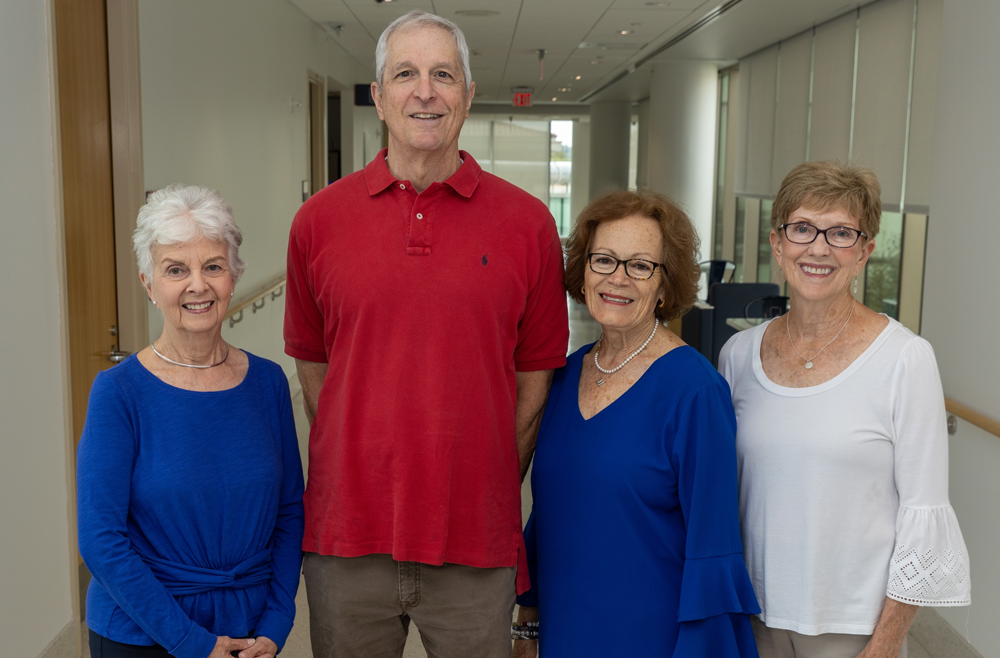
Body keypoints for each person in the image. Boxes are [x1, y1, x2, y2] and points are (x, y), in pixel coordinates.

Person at [283, 10, 569, 658]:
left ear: (467, 95)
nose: (425, 91)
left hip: (475, 540)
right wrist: (365, 456)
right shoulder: (317, 223)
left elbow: (534, 386)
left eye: (444, 74)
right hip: (347, 537)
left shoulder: (527, 226)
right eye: (405, 74)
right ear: (379, 97)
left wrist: (478, 476)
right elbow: (313, 367)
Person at [720, 161, 971, 658]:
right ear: (777, 242)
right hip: (752, 618)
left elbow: (923, 515)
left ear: (864, 252)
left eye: (840, 233)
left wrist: (882, 647)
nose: (818, 248)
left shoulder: (905, 358)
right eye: (802, 228)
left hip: (852, 628)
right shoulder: (738, 355)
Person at [513, 190, 761, 658]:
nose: (617, 278)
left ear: (666, 286)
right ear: (583, 273)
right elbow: (548, 516)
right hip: (566, 627)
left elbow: (714, 548)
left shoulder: (695, 391)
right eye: (604, 259)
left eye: (640, 265)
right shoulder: (563, 378)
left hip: (652, 634)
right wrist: (528, 622)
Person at [77, 185, 305, 658]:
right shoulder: (118, 393)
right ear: (148, 283)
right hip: (142, 632)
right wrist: (191, 642)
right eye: (175, 269)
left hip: (249, 629)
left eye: (213, 267)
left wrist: (278, 620)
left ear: (233, 276)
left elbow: (289, 512)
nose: (197, 285)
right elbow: (101, 540)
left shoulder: (267, 383)